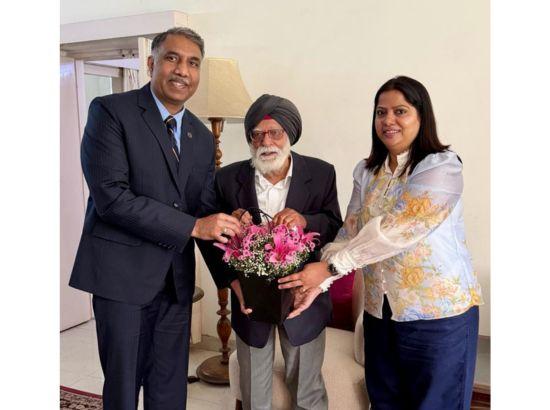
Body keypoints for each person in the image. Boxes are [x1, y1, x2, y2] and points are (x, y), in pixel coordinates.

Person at [279, 76, 483, 409]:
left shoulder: (441, 167)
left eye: (400, 111)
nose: (388, 120)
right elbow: (350, 232)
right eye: (381, 112)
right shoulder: (366, 171)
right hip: (380, 313)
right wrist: (318, 283)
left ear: (421, 116)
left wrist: (328, 269)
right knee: (384, 403)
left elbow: (396, 230)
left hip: (437, 316)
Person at [69, 27, 241, 410]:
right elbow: (112, 198)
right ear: (151, 63)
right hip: (121, 282)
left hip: (175, 286)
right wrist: (194, 226)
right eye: (172, 58)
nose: (182, 70)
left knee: (169, 392)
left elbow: (204, 213)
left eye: (192, 63)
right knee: (123, 391)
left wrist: (231, 276)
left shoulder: (200, 136)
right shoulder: (111, 112)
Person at [207, 94, 342, 410]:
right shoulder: (226, 179)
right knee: (255, 397)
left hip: (302, 297)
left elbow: (335, 224)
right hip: (250, 301)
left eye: (275, 132)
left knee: (307, 395)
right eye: (257, 134)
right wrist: (233, 282)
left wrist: (305, 220)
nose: (266, 141)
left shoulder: (321, 173)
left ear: (289, 134)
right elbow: (211, 239)